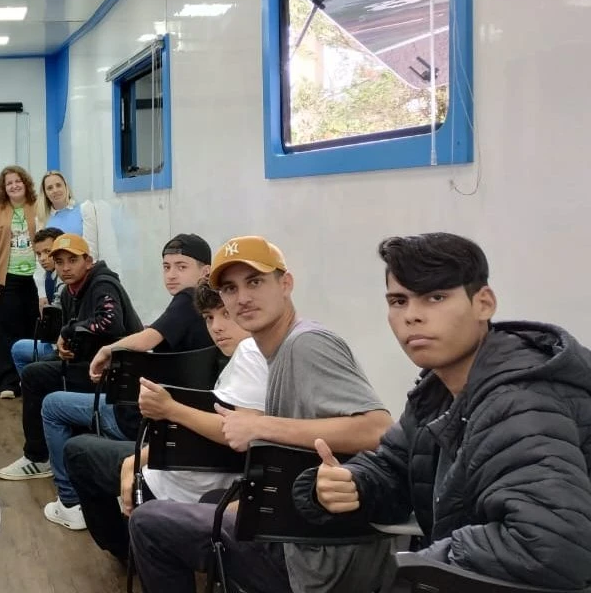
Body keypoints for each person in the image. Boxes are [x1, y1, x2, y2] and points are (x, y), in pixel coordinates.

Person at [297, 232, 591, 591]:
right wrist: (351, 483)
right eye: (399, 301)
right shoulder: (437, 393)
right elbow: (394, 468)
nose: (412, 316)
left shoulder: (519, 401)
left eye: (435, 297)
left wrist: (424, 564)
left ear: (484, 304)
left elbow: (549, 548)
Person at [129, 235, 394, 593]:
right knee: (209, 503)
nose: (242, 298)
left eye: (254, 282)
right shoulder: (277, 350)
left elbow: (378, 429)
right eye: (230, 289)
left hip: (317, 560)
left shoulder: (307, 344)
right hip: (299, 530)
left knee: (149, 522)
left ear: (286, 284)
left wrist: (260, 426)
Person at [64, 276, 267, 559]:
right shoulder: (253, 355)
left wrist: (169, 410)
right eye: (209, 318)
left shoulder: (249, 353)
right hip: (185, 465)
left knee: (76, 451)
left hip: (183, 480)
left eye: (226, 314)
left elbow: (237, 432)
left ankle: (130, 549)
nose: (216, 327)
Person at [40, 234, 213, 531]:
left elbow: (149, 338)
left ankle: (69, 502)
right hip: (176, 426)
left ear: (205, 272)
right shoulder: (211, 312)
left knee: (51, 405)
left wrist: (107, 350)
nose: (171, 275)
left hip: (145, 422)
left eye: (181, 266)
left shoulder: (188, 300)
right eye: (166, 267)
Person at [0, 233, 141, 477]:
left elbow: (110, 321)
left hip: (118, 377)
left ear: (88, 261)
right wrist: (65, 344)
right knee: (39, 369)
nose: (65, 268)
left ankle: (38, 458)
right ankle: (48, 450)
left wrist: (68, 331)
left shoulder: (102, 284)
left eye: (72, 260)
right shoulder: (70, 292)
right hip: (91, 366)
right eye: (60, 261)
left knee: (34, 376)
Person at [0, 165, 39, 396]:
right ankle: (7, 382)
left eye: (18, 181)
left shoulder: (38, 207)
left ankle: (31, 381)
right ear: (3, 188)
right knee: (5, 332)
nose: (14, 186)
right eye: (9, 183)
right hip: (6, 280)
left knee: (32, 330)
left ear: (25, 183)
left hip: (34, 280)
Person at [35, 171, 100, 305]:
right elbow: (40, 257)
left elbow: (91, 250)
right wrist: (41, 294)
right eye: (50, 188)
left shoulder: (84, 209)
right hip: (54, 282)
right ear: (45, 193)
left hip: (82, 280)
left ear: (66, 186)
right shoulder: (42, 219)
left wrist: (87, 282)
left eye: (58, 185)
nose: (55, 190)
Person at [9, 227, 65, 372]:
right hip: (56, 342)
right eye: (39, 254)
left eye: (47, 252)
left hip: (61, 347)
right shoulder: (49, 276)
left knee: (18, 350)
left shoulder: (63, 279)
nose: (42, 258)